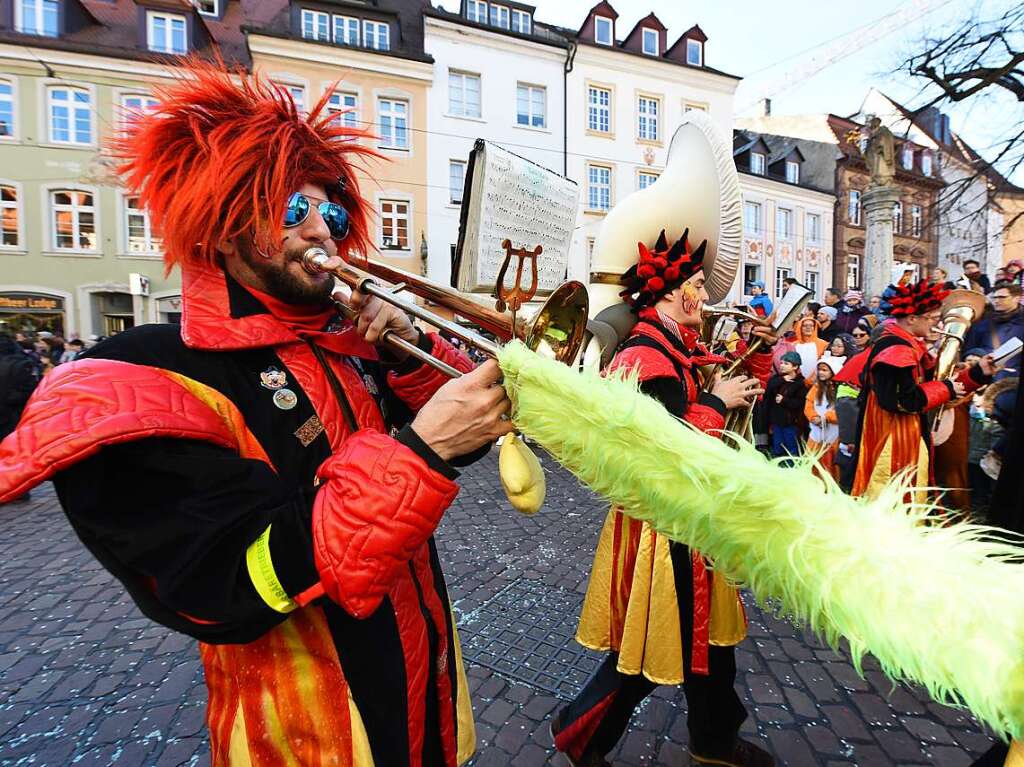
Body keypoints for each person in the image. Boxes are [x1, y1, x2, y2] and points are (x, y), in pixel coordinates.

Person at [0, 64, 513, 766]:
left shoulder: (343, 340)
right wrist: (420, 455)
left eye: (330, 213)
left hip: (419, 677)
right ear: (228, 225)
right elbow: (227, 587)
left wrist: (412, 351)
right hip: (308, 729)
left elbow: (465, 437)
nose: (321, 231)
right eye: (289, 211)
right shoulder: (152, 372)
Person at [552, 229, 777, 767]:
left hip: (687, 524)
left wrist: (761, 354)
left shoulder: (674, 346)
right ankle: (581, 733)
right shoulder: (646, 357)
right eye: (699, 284)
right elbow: (666, 453)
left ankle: (714, 740)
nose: (707, 293)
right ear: (675, 293)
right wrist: (717, 404)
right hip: (664, 531)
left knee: (711, 650)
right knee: (648, 652)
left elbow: (728, 394)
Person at [851, 279, 995, 500]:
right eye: (933, 318)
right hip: (892, 439)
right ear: (911, 319)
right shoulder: (896, 350)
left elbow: (938, 383)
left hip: (905, 433)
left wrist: (978, 372)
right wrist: (946, 388)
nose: (937, 325)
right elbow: (903, 400)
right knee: (893, 500)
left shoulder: (907, 345)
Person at [964, 281, 1024, 380]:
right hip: (986, 379)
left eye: (1002, 297)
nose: (996, 301)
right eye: (994, 297)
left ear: (1016, 299)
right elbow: (969, 348)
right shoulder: (982, 324)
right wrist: (975, 355)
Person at [765, 351, 807, 462]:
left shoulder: (800, 383)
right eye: (782, 362)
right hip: (776, 420)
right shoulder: (777, 378)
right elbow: (769, 388)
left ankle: (791, 466)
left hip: (791, 422)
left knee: (791, 446)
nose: (782, 365)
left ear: (795, 367)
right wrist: (782, 380)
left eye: (786, 363)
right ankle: (776, 463)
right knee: (777, 445)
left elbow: (800, 403)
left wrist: (784, 400)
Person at [804, 356, 842, 479]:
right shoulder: (816, 388)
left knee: (831, 461)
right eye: (819, 369)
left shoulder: (840, 389)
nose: (821, 372)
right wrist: (813, 417)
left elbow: (842, 411)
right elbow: (808, 405)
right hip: (816, 432)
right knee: (812, 458)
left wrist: (827, 417)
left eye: (824, 370)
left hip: (833, 433)